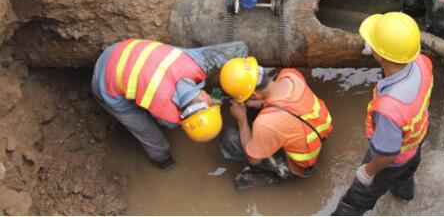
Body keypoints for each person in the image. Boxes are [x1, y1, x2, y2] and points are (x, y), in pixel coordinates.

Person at [333, 12, 434, 215]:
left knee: (356, 199)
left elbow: (387, 154)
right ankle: (403, 196)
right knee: (405, 175)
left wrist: (368, 171)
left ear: (379, 55)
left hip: (393, 159)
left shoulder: (389, 108)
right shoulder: (422, 63)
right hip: (415, 143)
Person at [91, 39, 248, 169]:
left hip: (120, 49)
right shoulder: (167, 115)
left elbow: (240, 48)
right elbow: (168, 123)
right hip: (105, 85)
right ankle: (163, 161)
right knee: (150, 135)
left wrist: (238, 84)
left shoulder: (194, 62)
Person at [218, 56, 332, 189]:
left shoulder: (266, 123)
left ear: (254, 95)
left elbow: (253, 159)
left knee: (229, 138)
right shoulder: (290, 75)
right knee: (258, 117)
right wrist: (261, 102)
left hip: (300, 165)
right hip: (317, 134)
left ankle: (280, 173)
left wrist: (242, 119)